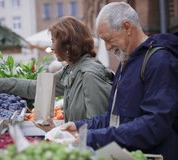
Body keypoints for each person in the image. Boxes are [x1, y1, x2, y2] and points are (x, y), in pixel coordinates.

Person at [60, 2, 178, 160]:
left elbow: (154, 124)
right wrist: (79, 127)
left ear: (127, 27)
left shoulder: (159, 61)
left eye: (108, 39)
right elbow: (114, 118)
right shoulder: (127, 62)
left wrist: (92, 138)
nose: (107, 47)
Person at [0, 16, 114, 122]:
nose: (52, 47)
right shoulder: (72, 69)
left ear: (67, 44)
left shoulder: (89, 74)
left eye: (53, 41)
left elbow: (99, 125)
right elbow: (37, 87)